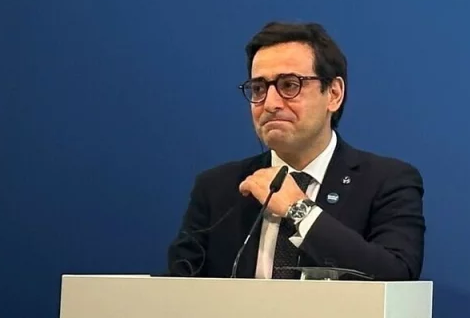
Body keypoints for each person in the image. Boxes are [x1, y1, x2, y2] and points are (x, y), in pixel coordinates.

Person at [166, 21, 425, 280]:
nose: (270, 104)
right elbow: (176, 288)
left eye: (290, 85)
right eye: (258, 89)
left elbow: (397, 275)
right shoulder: (217, 189)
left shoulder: (387, 182)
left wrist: (299, 209)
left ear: (333, 94)